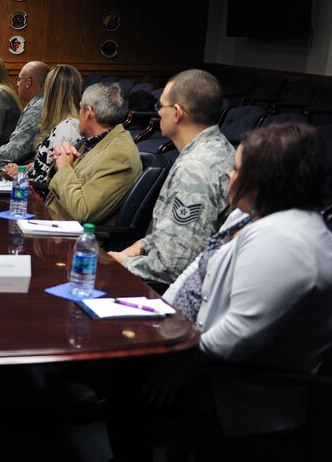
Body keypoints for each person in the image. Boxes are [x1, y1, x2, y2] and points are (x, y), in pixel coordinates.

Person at [106, 123, 332, 460]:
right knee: (111, 338)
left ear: (266, 180)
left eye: (238, 168)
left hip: (233, 387)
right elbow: (197, 269)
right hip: (190, 343)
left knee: (120, 374)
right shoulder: (246, 215)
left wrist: (179, 363)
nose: (229, 174)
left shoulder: (288, 241)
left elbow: (237, 336)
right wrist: (160, 312)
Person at [109, 69, 235, 287]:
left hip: (177, 296)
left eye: (161, 106)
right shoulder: (217, 148)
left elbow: (173, 266)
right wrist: (142, 246)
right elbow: (182, 234)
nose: (157, 112)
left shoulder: (196, 169)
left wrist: (119, 264)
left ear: (177, 113)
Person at [45, 82, 141, 226]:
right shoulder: (97, 141)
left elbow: (83, 211)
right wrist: (59, 161)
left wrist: (64, 167)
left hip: (74, 239)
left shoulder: (119, 156)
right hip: (53, 221)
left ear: (88, 112)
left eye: (80, 108)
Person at [2, 64, 83, 189]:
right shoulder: (65, 123)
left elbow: (51, 181)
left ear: (51, 93)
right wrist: (21, 169)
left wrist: (19, 178)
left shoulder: (67, 129)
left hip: (35, 197)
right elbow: (44, 164)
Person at [0, 60, 50, 165]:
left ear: (28, 83)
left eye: (19, 80)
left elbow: (15, 150)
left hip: (23, 170)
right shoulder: (40, 103)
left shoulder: (37, 108)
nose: (17, 84)